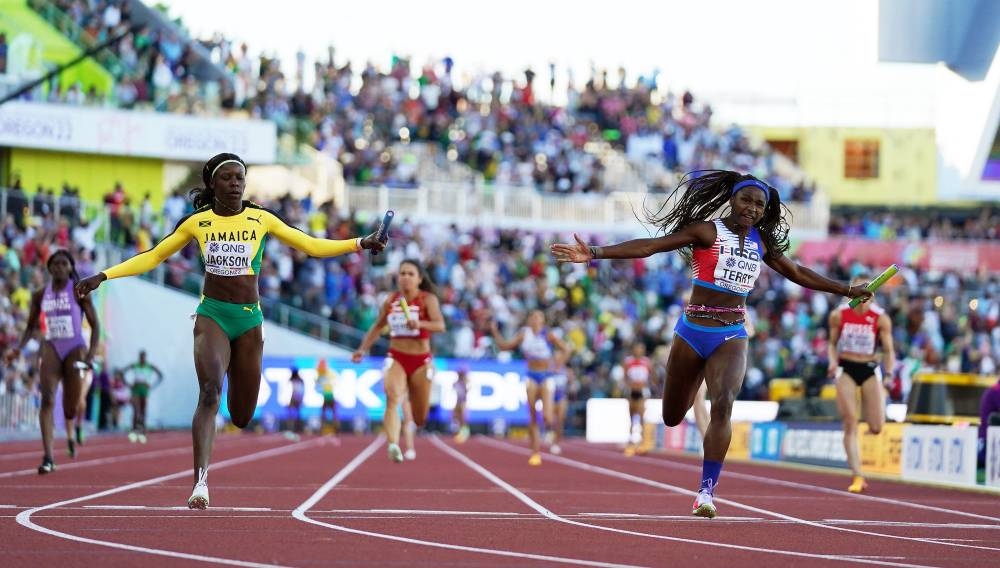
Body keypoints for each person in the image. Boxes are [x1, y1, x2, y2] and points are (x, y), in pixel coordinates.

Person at [551, 170, 872, 518]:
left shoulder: (762, 243)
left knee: (724, 403)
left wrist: (847, 290)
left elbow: (798, 273)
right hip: (691, 332)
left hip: (731, 334)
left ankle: (706, 492)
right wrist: (595, 252)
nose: (751, 208)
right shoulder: (707, 230)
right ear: (732, 199)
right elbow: (652, 246)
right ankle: (690, 391)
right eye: (746, 200)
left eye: (759, 204)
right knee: (672, 416)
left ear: (765, 211)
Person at [74, 153, 386, 508]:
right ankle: (200, 482)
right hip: (213, 315)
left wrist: (360, 243)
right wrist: (103, 275)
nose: (236, 183)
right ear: (213, 185)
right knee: (209, 392)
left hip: (249, 320)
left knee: (241, 415)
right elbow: (154, 256)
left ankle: (217, 446)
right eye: (229, 178)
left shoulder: (262, 219)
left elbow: (311, 246)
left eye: (241, 177)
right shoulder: (198, 223)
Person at [6, 250, 100, 473]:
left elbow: (96, 326)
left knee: (70, 408)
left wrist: (90, 355)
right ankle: (48, 457)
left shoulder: (80, 291)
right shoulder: (40, 295)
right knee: (47, 399)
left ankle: (70, 421)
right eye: (55, 263)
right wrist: (18, 349)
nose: (59, 267)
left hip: (75, 348)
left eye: (63, 263)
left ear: (70, 268)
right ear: (49, 268)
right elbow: (30, 327)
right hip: (51, 346)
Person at [352, 259, 445, 463]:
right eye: (402, 273)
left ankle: (409, 427)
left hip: (421, 361)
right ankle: (393, 444)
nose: (405, 277)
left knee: (420, 418)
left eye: (411, 274)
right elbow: (377, 326)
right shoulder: (391, 300)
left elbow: (440, 325)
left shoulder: (427, 299)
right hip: (397, 357)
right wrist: (362, 349)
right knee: (392, 398)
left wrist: (419, 323)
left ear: (419, 279)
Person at [827, 275, 895, 493]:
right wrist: (831, 362)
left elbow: (889, 350)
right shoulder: (839, 315)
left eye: (870, 292)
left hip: (869, 368)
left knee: (876, 427)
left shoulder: (880, 318)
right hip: (846, 367)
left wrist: (889, 373)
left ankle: (874, 406)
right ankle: (858, 475)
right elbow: (831, 343)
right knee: (850, 422)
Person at [491, 310, 569, 466]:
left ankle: (550, 433)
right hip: (531, 375)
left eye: (537, 318)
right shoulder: (524, 334)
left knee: (547, 417)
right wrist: (495, 332)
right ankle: (535, 452)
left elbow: (566, 349)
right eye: (532, 317)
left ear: (543, 321)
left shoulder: (548, 334)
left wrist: (558, 365)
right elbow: (505, 347)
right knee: (532, 415)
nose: (534, 320)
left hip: (546, 376)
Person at [123, 350, 164, 443]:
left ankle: (142, 431)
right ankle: (133, 431)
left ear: (145, 357)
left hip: (144, 389)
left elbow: (160, 375)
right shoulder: (135, 365)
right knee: (136, 410)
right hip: (136, 389)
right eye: (141, 357)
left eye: (143, 357)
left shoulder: (149, 366)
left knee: (143, 411)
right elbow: (122, 373)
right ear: (139, 357)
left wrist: (152, 385)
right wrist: (128, 384)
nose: (142, 359)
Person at [622, 342, 654, 457]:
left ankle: (641, 440)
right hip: (631, 391)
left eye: (640, 348)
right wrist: (629, 385)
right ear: (633, 350)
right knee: (631, 415)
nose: (638, 351)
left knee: (641, 415)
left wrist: (647, 386)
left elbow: (652, 376)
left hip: (642, 391)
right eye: (636, 348)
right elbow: (624, 377)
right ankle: (631, 439)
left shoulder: (647, 362)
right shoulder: (628, 362)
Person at [316, 358, 338, 435]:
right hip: (329, 396)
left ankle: (323, 430)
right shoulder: (326, 374)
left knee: (325, 414)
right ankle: (335, 429)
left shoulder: (323, 374)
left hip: (328, 396)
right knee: (331, 414)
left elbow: (319, 384)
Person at [453, 365, 470, 443]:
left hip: (463, 402)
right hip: (457, 401)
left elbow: (466, 391)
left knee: (462, 418)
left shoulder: (465, 382)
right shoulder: (456, 382)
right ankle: (459, 432)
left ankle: (464, 433)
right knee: (456, 417)